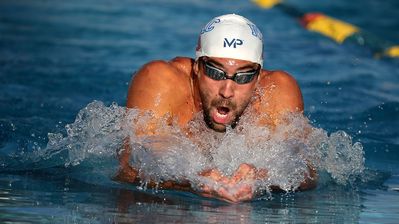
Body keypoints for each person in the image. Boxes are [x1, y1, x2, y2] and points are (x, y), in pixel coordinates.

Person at [115, 14, 316, 203]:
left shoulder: (278, 91)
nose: (227, 91)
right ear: (197, 67)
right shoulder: (161, 80)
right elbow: (130, 169)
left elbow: (305, 172)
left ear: (257, 77)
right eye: (215, 72)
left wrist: (262, 180)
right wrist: (192, 181)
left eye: (244, 77)